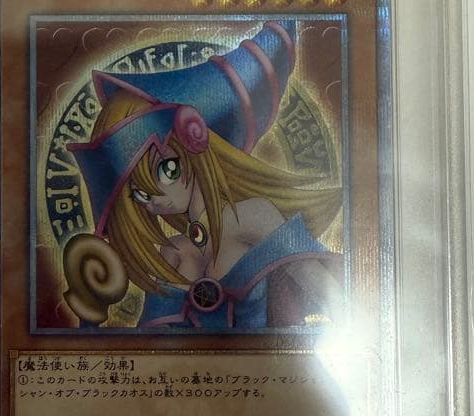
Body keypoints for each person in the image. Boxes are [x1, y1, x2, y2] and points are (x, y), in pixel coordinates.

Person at [65, 19, 343, 331]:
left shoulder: (251, 216)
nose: (155, 199)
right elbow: (151, 344)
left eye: (166, 170)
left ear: (195, 145)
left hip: (263, 362)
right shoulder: (174, 252)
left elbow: (323, 289)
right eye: (140, 193)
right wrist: (89, 316)